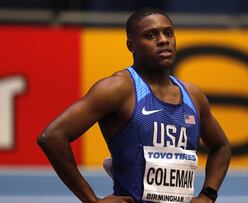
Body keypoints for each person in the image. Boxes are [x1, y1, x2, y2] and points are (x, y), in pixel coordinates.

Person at [37, 7, 231, 203]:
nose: (163, 40)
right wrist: (91, 200)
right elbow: (52, 137)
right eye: (151, 35)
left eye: (168, 33)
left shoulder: (193, 96)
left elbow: (221, 146)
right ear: (131, 45)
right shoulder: (118, 89)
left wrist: (208, 195)